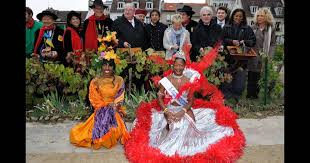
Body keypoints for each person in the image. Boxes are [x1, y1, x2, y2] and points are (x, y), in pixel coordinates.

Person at [124, 50, 245, 162]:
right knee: (170, 126)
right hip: (168, 109)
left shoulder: (188, 81)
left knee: (185, 124)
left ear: (184, 66)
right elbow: (160, 97)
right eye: (176, 65)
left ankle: (185, 146)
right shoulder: (166, 80)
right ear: (173, 66)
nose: (178, 67)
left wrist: (182, 111)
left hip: (184, 109)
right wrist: (166, 111)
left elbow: (190, 101)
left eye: (181, 65)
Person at [70, 56, 130, 149]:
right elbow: (94, 98)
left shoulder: (119, 80)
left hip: (114, 109)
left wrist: (115, 105)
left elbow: (120, 95)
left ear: (113, 67)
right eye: (104, 65)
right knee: (90, 133)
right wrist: (106, 106)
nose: (107, 68)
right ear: (101, 66)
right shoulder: (95, 81)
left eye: (110, 66)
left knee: (114, 129)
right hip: (100, 109)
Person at [221, 8, 256, 101]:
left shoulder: (247, 28)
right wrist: (231, 41)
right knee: (227, 79)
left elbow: (253, 41)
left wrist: (244, 41)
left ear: (243, 18)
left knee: (239, 81)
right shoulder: (226, 27)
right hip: (227, 58)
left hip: (241, 59)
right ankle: (227, 98)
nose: (238, 17)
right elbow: (221, 40)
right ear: (233, 16)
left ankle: (237, 98)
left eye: (240, 16)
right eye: (236, 16)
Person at [247, 8, 276, 99]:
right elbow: (249, 41)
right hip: (253, 55)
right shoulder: (253, 28)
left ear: (266, 17)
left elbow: (273, 44)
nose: (259, 17)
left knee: (261, 76)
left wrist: (269, 56)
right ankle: (250, 95)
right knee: (252, 76)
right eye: (258, 15)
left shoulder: (271, 29)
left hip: (265, 55)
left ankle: (258, 95)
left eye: (262, 15)